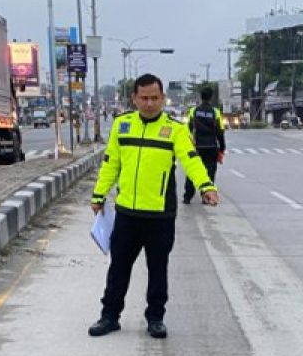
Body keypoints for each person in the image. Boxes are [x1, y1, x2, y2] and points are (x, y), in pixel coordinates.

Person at [89, 74, 219, 339]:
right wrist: (98, 195)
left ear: (162, 99)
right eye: (144, 98)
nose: (149, 103)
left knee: (158, 269)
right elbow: (111, 163)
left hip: (160, 215)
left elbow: (191, 159)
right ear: (134, 98)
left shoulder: (175, 129)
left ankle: (156, 318)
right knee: (118, 268)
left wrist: (206, 186)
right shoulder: (122, 125)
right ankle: (109, 316)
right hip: (126, 213)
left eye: (154, 98)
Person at [184, 86, 226, 205]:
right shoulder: (215, 112)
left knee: (193, 171)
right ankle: (206, 197)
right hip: (211, 147)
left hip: (197, 147)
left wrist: (190, 145)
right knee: (210, 173)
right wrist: (222, 149)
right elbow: (220, 132)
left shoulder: (194, 111)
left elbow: (188, 130)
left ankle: (187, 197)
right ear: (211, 98)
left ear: (201, 97)